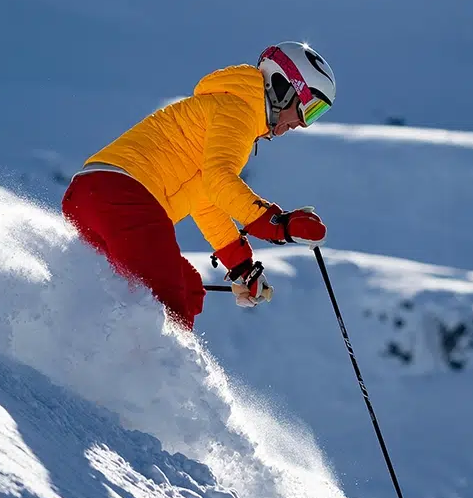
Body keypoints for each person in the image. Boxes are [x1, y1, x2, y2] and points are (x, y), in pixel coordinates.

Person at [61, 41, 336, 331]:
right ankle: (151, 371)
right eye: (310, 109)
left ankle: (84, 348)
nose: (303, 125)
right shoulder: (237, 110)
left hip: (92, 195)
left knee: (189, 289)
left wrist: (242, 267)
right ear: (283, 88)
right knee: (169, 304)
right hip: (123, 197)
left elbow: (206, 198)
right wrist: (279, 224)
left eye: (317, 115)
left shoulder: (227, 110)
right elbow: (219, 181)